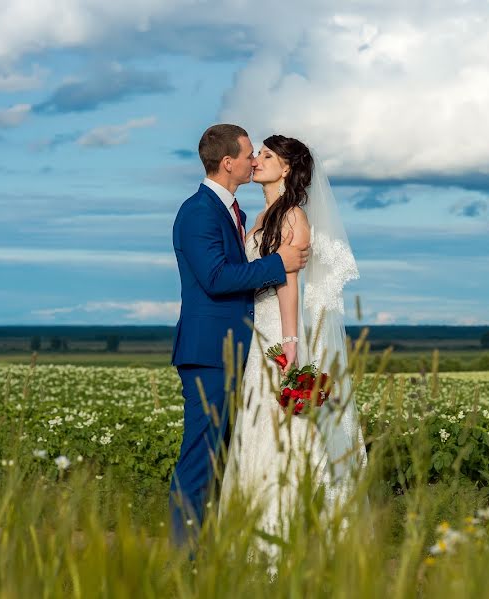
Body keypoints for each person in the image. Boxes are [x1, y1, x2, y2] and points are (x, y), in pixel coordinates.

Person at [219, 134, 367, 565]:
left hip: (279, 334)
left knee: (286, 433)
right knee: (257, 428)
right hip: (258, 335)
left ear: (286, 169)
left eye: (267, 156)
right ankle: (255, 534)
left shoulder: (292, 216)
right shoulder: (261, 214)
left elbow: (289, 286)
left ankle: (281, 539)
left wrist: (290, 349)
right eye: (258, 154)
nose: (257, 161)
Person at [169, 124, 310, 546]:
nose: (254, 161)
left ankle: (214, 550)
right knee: (200, 459)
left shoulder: (235, 213)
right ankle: (183, 564)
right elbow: (214, 278)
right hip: (209, 355)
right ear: (227, 162)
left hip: (238, 353)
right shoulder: (198, 212)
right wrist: (279, 261)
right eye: (250, 154)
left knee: (226, 459)